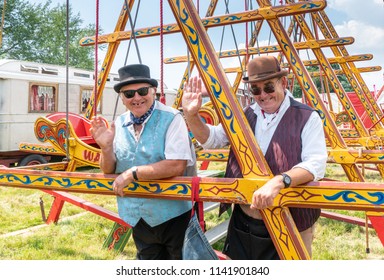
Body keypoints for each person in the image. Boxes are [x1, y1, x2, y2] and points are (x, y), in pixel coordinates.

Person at [182, 56, 327, 260]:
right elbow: (212, 139)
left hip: (292, 219)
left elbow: (316, 164)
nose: (263, 95)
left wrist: (280, 181)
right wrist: (191, 116)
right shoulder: (246, 114)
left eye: (268, 87)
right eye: (256, 90)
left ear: (283, 83)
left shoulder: (307, 116)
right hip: (245, 219)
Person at [90, 64, 195, 260]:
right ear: (122, 98)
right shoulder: (118, 123)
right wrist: (105, 147)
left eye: (142, 91)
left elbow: (177, 164)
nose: (136, 98)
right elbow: (108, 169)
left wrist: (132, 173)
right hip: (137, 215)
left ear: (153, 91)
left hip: (173, 215)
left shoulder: (172, 118)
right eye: (129, 93)